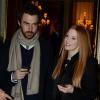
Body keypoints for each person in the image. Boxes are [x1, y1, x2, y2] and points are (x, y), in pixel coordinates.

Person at [2, 2, 53, 100]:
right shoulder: (6, 46)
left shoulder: (46, 47)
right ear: (19, 22)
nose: (30, 29)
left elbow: (49, 80)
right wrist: (13, 76)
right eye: (26, 23)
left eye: (34, 24)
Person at [52, 25, 98, 100]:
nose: (67, 40)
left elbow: (91, 94)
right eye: (67, 36)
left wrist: (73, 90)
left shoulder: (88, 62)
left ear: (81, 42)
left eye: (73, 38)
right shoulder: (58, 59)